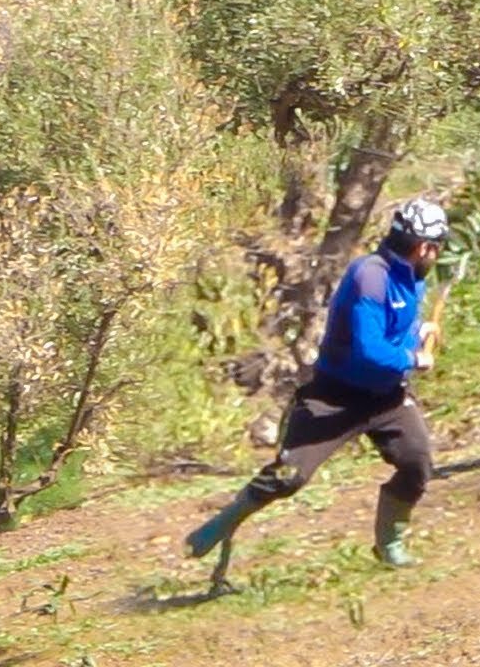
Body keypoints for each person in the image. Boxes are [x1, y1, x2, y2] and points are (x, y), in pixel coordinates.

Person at [185, 197, 450, 571]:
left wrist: (417, 334)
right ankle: (222, 524)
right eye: (435, 249)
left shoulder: (411, 281)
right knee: (288, 477)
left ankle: (389, 545)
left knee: (416, 463)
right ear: (425, 247)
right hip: (334, 398)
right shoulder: (369, 277)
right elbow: (369, 350)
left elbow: (395, 327)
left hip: (388, 398)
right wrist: (414, 358)